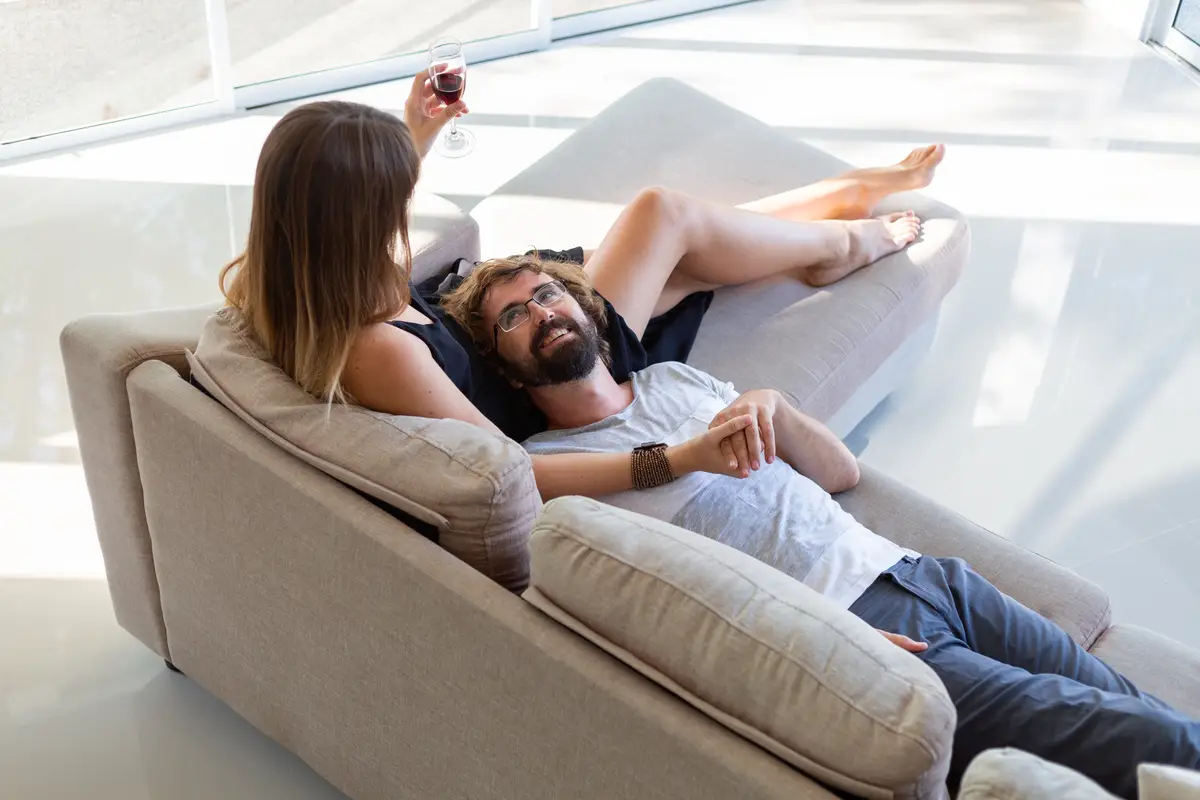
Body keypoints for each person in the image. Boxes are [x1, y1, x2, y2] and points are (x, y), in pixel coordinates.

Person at [440, 255, 1200, 800]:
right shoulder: (544, 465)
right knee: (1152, 742)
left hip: (926, 576)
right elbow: (663, 549)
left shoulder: (673, 379)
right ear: (505, 368)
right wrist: (830, 644)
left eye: (546, 294)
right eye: (513, 316)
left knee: (1141, 713)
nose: (541, 313)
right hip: (864, 625)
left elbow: (839, 473)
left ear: (585, 309)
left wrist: (774, 405)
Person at [219, 82, 942, 501]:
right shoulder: (380, 350)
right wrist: (675, 458)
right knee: (663, 218)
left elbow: (328, 207)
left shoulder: (291, 274)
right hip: (536, 367)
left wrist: (417, 130)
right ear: (354, 221)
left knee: (680, 258)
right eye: (394, 193)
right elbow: (511, 469)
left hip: (485, 310)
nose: (405, 199)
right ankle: (844, 240)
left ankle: (831, 212)